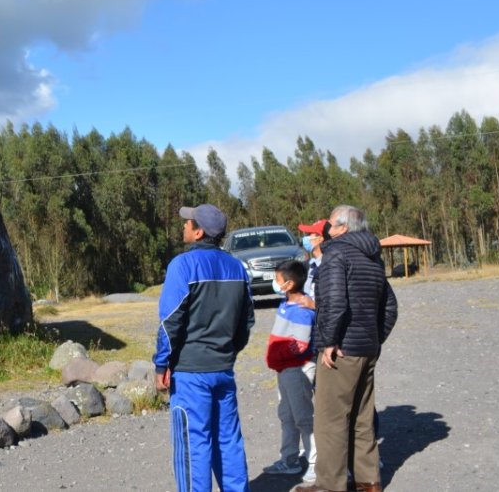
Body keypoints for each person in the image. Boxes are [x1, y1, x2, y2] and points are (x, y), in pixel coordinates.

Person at [296, 205, 398, 492]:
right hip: (367, 349)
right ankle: (369, 482)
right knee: (362, 418)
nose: (326, 228)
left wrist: (329, 341)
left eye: (329, 222)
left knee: (330, 420)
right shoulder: (373, 257)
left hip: (341, 351)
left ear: (341, 227)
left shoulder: (335, 254)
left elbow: (334, 303)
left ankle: (330, 485)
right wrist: (375, 338)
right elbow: (390, 305)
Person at [154, 203, 255, 492]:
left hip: (190, 373)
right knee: (228, 440)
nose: (183, 225)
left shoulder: (182, 265)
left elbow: (169, 322)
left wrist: (162, 364)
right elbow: (246, 321)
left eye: (188, 223)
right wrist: (228, 352)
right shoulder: (237, 266)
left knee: (193, 444)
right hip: (223, 369)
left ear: (198, 232)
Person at [263, 259, 317, 484]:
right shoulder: (285, 305)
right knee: (286, 415)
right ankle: (290, 458)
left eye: (278, 280)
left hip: (297, 369)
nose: (275, 284)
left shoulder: (303, 310)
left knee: (304, 417)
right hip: (284, 370)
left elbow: (301, 345)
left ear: (290, 283)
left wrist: (279, 355)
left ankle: (316, 464)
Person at [296, 218, 328, 304]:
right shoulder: (312, 264)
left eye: (310, 234)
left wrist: (314, 306)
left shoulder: (328, 265)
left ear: (320, 238)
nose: (305, 238)